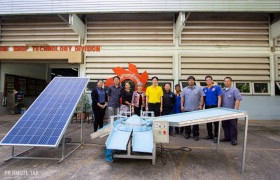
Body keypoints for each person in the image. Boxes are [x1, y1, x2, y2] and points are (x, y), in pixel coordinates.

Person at [181, 76, 205, 141]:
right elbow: (182, 98)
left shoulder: (199, 88)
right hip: (187, 108)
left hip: (196, 109)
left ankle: (196, 135)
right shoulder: (185, 89)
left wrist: (201, 105)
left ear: (194, 81)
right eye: (189, 80)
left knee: (195, 123)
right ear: (187, 81)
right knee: (187, 123)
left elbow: (202, 97)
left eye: (192, 80)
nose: (191, 81)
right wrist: (182, 106)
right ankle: (187, 133)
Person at [221, 77, 242, 146]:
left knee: (233, 126)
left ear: (231, 82)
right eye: (225, 81)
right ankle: (227, 137)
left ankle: (233, 139)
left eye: (228, 81)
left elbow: (238, 100)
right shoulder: (222, 90)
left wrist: (235, 110)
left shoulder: (235, 90)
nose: (226, 82)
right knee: (225, 125)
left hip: (232, 111)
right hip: (223, 111)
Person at [203, 75, 222, 143]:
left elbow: (219, 97)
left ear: (212, 80)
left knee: (216, 122)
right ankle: (210, 135)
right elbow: (203, 98)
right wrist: (202, 106)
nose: (208, 81)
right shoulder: (204, 89)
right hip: (207, 107)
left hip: (215, 107)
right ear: (205, 81)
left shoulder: (217, 87)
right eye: (207, 80)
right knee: (208, 122)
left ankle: (216, 136)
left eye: (209, 80)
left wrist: (219, 107)